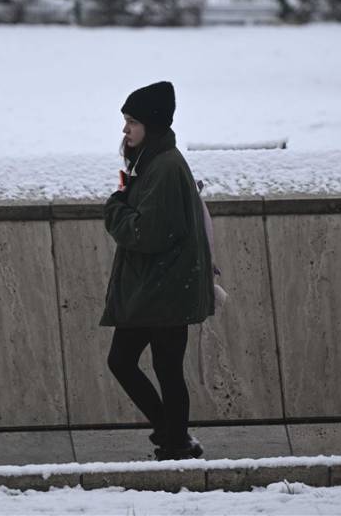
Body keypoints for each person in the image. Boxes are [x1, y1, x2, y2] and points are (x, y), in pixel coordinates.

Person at [101, 80, 214, 460]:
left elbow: (144, 232)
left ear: (151, 124)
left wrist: (115, 206)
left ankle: (175, 440)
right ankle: (174, 438)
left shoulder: (164, 167)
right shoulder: (153, 162)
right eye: (125, 121)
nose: (125, 129)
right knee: (157, 367)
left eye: (131, 121)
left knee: (142, 364)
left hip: (162, 290)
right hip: (161, 288)